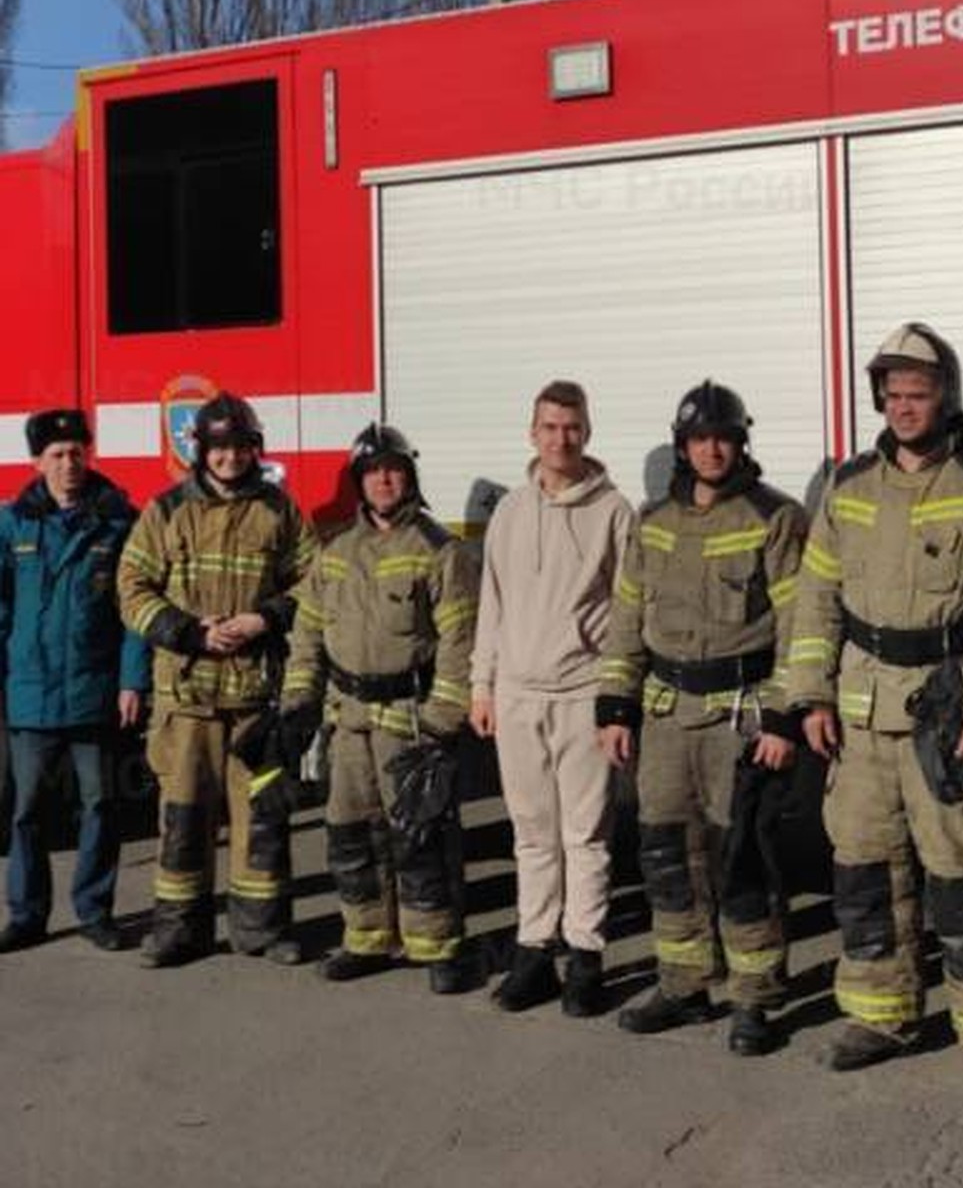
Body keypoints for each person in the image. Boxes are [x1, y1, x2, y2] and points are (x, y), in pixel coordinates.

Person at [790, 323, 963, 1099]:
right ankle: (880, 1014)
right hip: (860, 714)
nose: (903, 407)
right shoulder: (850, 486)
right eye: (892, 394)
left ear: (945, 397)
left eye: (918, 393)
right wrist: (808, 694)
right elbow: (816, 600)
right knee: (863, 871)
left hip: (946, 711)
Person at [596, 380, 806, 1056]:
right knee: (665, 855)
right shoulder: (652, 523)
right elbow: (627, 620)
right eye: (699, 439)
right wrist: (614, 705)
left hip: (738, 719)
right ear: (682, 446)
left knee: (741, 858)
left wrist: (783, 718)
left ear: (740, 442)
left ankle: (755, 997)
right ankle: (684, 982)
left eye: (724, 437)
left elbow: (800, 626)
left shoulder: (774, 518)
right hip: (663, 717)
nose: (712, 450)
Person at [280, 423, 479, 993]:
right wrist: (299, 702)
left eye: (393, 470)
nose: (384, 480)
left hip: (411, 719)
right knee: (350, 833)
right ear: (359, 482)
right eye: (372, 472)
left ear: (409, 476)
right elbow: (307, 634)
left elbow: (460, 642)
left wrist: (443, 720)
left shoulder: (439, 551)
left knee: (421, 835)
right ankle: (365, 937)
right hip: (348, 721)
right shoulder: (336, 552)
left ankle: (437, 943)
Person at [118, 393, 315, 968]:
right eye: (219, 448)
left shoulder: (280, 511)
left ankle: (261, 931)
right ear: (201, 450)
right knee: (182, 819)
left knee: (262, 821)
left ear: (255, 449)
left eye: (240, 447)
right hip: (187, 699)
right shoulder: (166, 510)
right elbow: (131, 588)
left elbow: (316, 583)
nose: (230, 458)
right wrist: (189, 632)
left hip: (254, 698)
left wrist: (265, 618)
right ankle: (180, 932)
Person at [470, 380, 633, 1015]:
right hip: (516, 695)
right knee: (532, 832)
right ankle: (534, 950)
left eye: (571, 428)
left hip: (582, 693)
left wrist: (617, 698)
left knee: (586, 833)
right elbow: (493, 605)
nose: (560, 439)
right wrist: (482, 685)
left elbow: (628, 612)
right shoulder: (510, 512)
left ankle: (586, 956)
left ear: (586, 432)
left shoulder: (614, 511)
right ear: (531, 433)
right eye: (549, 427)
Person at [0, 409, 149, 953]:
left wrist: (132, 681)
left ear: (89, 456)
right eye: (57, 455)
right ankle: (27, 914)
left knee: (101, 806)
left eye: (77, 453)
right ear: (36, 461)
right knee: (26, 812)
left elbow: (135, 614)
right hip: (30, 695)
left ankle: (94, 910)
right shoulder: (12, 523)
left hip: (94, 692)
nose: (69, 464)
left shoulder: (119, 523)